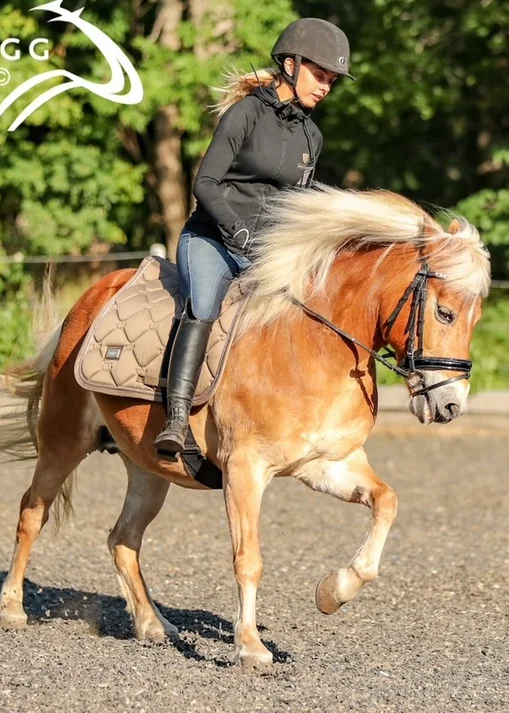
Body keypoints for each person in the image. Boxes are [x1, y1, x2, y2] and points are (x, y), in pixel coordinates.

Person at [155, 17, 354, 454]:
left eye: (332, 81)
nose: (325, 87)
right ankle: (175, 418)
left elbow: (296, 205)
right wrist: (236, 230)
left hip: (266, 252)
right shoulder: (244, 113)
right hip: (212, 240)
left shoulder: (311, 135)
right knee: (204, 304)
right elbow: (205, 183)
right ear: (289, 64)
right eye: (320, 76)